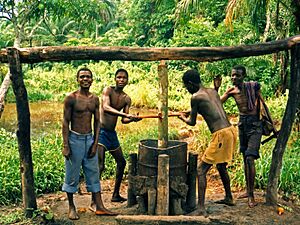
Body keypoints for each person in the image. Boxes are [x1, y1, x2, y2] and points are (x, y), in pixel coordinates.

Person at [178, 69, 237, 216]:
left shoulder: (195, 97)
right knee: (221, 166)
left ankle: (201, 208)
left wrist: (181, 118)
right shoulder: (213, 91)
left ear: (191, 84)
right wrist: (190, 111)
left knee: (201, 170)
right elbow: (209, 107)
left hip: (220, 135)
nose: (187, 90)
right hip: (230, 131)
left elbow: (191, 122)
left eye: (186, 86)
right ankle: (229, 197)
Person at [62, 67, 116, 220]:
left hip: (89, 139)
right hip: (75, 139)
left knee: (93, 173)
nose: (85, 79)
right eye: (82, 77)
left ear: (92, 80)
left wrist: (95, 143)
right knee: (72, 174)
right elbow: (65, 122)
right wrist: (66, 145)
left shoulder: (94, 99)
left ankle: (99, 206)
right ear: (77, 79)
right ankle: (71, 207)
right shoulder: (71, 98)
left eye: (88, 77)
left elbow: (98, 122)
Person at [90, 68, 141, 210]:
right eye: (119, 77)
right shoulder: (108, 90)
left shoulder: (126, 98)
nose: (121, 80)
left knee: (122, 162)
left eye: (124, 78)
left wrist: (133, 119)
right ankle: (94, 201)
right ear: (115, 79)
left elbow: (124, 119)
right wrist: (123, 115)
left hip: (111, 134)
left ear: (127, 80)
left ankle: (115, 194)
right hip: (101, 132)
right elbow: (105, 107)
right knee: (100, 166)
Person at [216, 65, 262, 208]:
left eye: (238, 75)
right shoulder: (231, 91)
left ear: (244, 76)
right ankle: (248, 192)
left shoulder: (253, 87)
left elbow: (263, 104)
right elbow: (217, 102)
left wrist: (271, 125)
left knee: (250, 157)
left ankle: (251, 194)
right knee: (244, 157)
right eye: (233, 75)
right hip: (242, 124)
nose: (234, 78)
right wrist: (216, 89)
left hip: (255, 124)